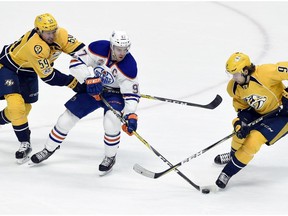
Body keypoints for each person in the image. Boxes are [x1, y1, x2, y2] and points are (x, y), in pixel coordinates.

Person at [30, 30, 140, 175]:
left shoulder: (129, 66)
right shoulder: (98, 48)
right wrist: (88, 78)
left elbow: (131, 93)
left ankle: (110, 157)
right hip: (94, 88)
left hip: (115, 95)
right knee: (66, 119)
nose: (122, 53)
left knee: (111, 122)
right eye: (119, 49)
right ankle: (49, 148)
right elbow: (76, 61)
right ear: (112, 46)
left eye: (125, 50)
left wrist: (130, 115)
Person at [0, 13, 86, 163]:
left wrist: (101, 68)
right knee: (16, 107)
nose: (52, 35)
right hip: (10, 68)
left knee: (24, 109)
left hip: (29, 71)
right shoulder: (35, 46)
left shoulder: (61, 34)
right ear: (38, 31)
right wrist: (72, 82)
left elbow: (83, 52)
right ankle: (24, 143)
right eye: (48, 32)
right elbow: (49, 77)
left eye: (54, 31)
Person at [214, 52, 288, 189]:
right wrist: (241, 123)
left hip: (283, 115)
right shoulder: (234, 87)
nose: (233, 78)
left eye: (235, 74)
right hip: (261, 111)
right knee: (240, 132)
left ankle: (228, 172)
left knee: (253, 140)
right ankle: (232, 156)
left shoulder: (266, 73)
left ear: (246, 71)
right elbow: (241, 108)